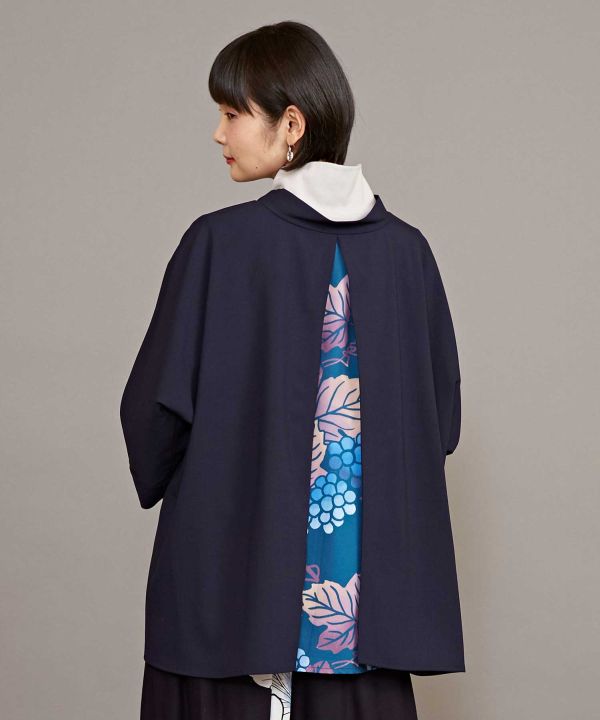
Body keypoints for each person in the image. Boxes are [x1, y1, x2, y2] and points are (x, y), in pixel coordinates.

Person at [121, 20, 463, 720]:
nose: (218, 133)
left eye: (232, 113)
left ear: (292, 124)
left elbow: (154, 413)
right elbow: (442, 424)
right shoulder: (409, 255)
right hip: (363, 619)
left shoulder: (218, 244)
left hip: (229, 598)